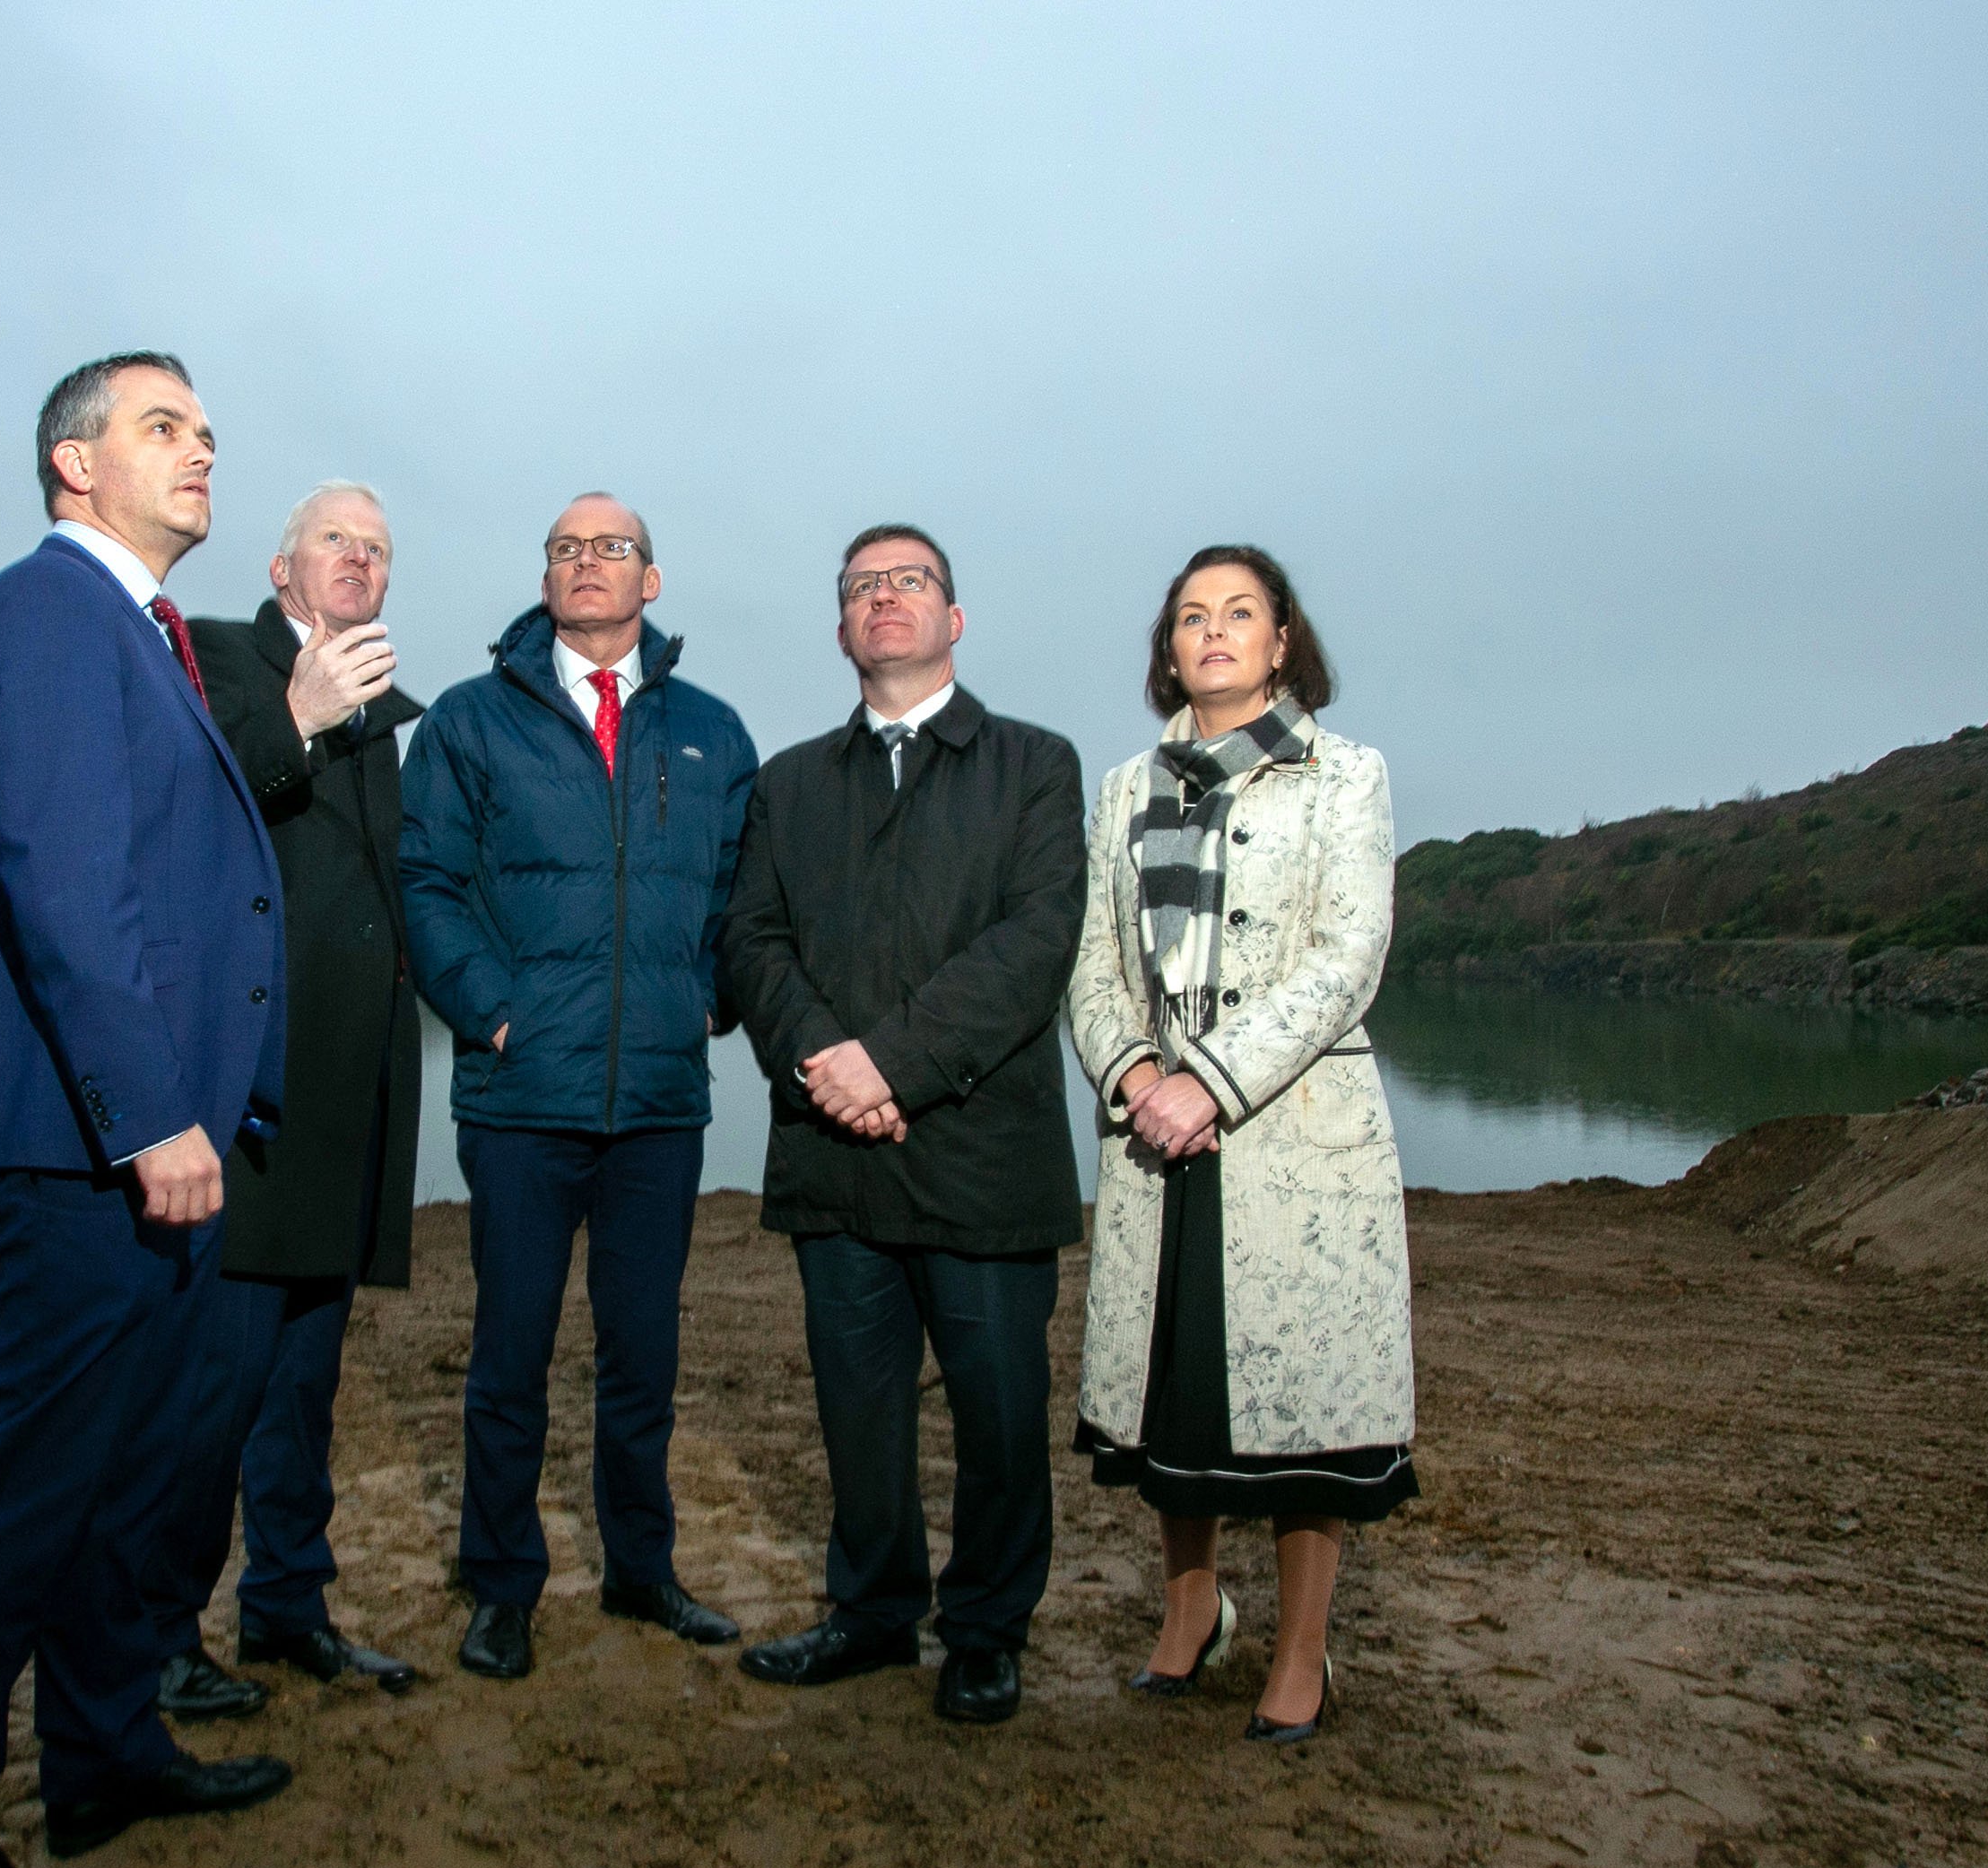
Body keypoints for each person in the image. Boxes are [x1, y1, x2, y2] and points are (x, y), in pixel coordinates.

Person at [0, 352, 295, 1868]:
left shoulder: (147, 637)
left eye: (205, 430)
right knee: (34, 1494)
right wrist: (146, 1112)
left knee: (133, 1478)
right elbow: (62, 881)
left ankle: (106, 1754)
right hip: (81, 1145)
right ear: (73, 465)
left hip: (160, 1139)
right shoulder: (47, 615)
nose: (202, 452)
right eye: (164, 427)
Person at [719, 525, 1087, 1726]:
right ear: (840, 628)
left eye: (908, 583)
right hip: (835, 1154)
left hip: (981, 1152)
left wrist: (890, 1061)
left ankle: (984, 1628)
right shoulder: (785, 782)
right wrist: (829, 1065)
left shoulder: (1034, 764)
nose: (884, 601)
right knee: (859, 1406)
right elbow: (752, 943)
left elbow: (1031, 944)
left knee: (996, 1412)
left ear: (953, 617)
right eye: (861, 588)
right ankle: (873, 1612)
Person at [398, 492, 760, 1681]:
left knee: (641, 1355)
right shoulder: (468, 721)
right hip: (519, 1102)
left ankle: (642, 1572)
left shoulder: (711, 730)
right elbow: (427, 886)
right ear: (544, 577)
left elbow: (743, 900)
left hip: (658, 1100)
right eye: (564, 548)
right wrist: (492, 1013)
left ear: (650, 581)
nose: (585, 563)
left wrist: (711, 1001)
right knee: (509, 1356)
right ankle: (500, 1584)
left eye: (609, 548)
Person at [1065, 543, 1416, 1746]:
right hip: (1154, 1136)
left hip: (1293, 1136)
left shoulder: (1345, 775)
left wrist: (1211, 1080)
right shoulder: (1122, 789)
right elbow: (1093, 962)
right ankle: (1188, 1615)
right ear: (1169, 649)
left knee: (1304, 1417)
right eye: (1189, 616)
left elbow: (1344, 958)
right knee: (1173, 1404)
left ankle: (1302, 1652)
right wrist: (1134, 1073)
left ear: (1280, 641)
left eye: (1238, 613)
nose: (1211, 632)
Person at [146, 482, 425, 1710]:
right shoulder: (211, 657)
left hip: (347, 1098)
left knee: (304, 1388)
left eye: (374, 548)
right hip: (247, 1096)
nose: (356, 559)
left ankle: (287, 1609)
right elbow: (179, 824)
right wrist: (301, 717)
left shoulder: (379, 704)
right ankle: (156, 1636)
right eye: (334, 542)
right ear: (279, 567)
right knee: (216, 1388)